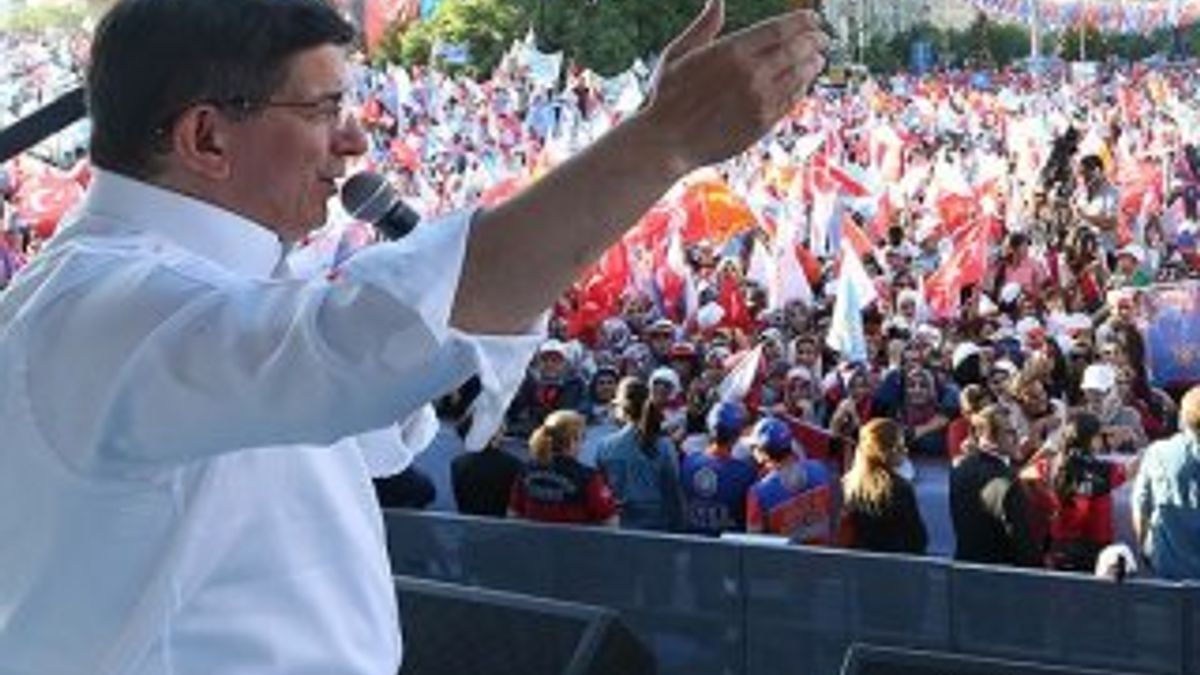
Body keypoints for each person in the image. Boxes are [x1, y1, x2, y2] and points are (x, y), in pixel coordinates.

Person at [0, 0, 830, 672]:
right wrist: (664, 141)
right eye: (324, 109)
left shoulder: (215, 291)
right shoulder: (104, 312)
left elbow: (368, 415)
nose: (356, 140)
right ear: (207, 137)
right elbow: (363, 340)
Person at [950, 404, 1041, 567]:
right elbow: (1023, 543)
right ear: (989, 436)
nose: (1018, 438)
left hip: (964, 569)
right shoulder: (1008, 480)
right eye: (1010, 432)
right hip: (1001, 573)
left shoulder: (959, 470)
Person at [593, 377, 686, 531]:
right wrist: (679, 528)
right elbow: (673, 492)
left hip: (619, 528)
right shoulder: (664, 445)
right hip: (656, 529)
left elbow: (602, 493)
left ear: (621, 408)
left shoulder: (605, 446)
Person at [1133, 386, 1200, 580]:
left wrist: (1144, 548)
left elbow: (1141, 507)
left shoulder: (1157, 452)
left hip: (1166, 567)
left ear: (1182, 418)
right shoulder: (1157, 452)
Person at [507, 410, 619, 525]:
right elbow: (610, 520)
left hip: (531, 536)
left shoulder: (526, 471)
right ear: (573, 440)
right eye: (582, 437)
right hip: (574, 536)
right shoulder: (588, 478)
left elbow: (513, 513)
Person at [837, 418, 928, 554]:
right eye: (900, 446)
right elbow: (918, 541)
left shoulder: (847, 484)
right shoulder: (900, 489)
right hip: (894, 562)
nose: (905, 451)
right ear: (886, 451)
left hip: (857, 560)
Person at [746, 416, 835, 544]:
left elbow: (754, 544)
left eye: (753, 448)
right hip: (822, 553)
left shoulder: (758, 494)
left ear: (762, 454)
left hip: (782, 557)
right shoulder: (821, 469)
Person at [681, 401, 759, 536]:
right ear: (737, 435)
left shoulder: (688, 463)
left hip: (691, 543)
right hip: (729, 546)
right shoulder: (746, 472)